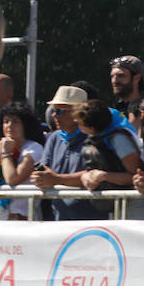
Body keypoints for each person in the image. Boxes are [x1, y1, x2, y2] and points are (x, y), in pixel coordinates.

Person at [29, 86, 95, 220]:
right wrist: (41, 177)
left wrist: (56, 179)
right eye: (53, 110)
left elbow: (93, 173)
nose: (54, 115)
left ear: (78, 113)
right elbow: (46, 167)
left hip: (91, 221)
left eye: (60, 111)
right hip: (59, 218)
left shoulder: (94, 137)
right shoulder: (54, 138)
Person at [0, 103, 44, 220]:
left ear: (25, 125)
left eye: (15, 121)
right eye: (6, 121)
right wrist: (0, 155)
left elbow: (12, 179)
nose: (9, 126)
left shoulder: (34, 148)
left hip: (23, 220)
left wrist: (6, 154)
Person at [108, 54, 144, 119]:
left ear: (136, 78)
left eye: (121, 76)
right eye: (112, 76)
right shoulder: (115, 109)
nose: (114, 81)